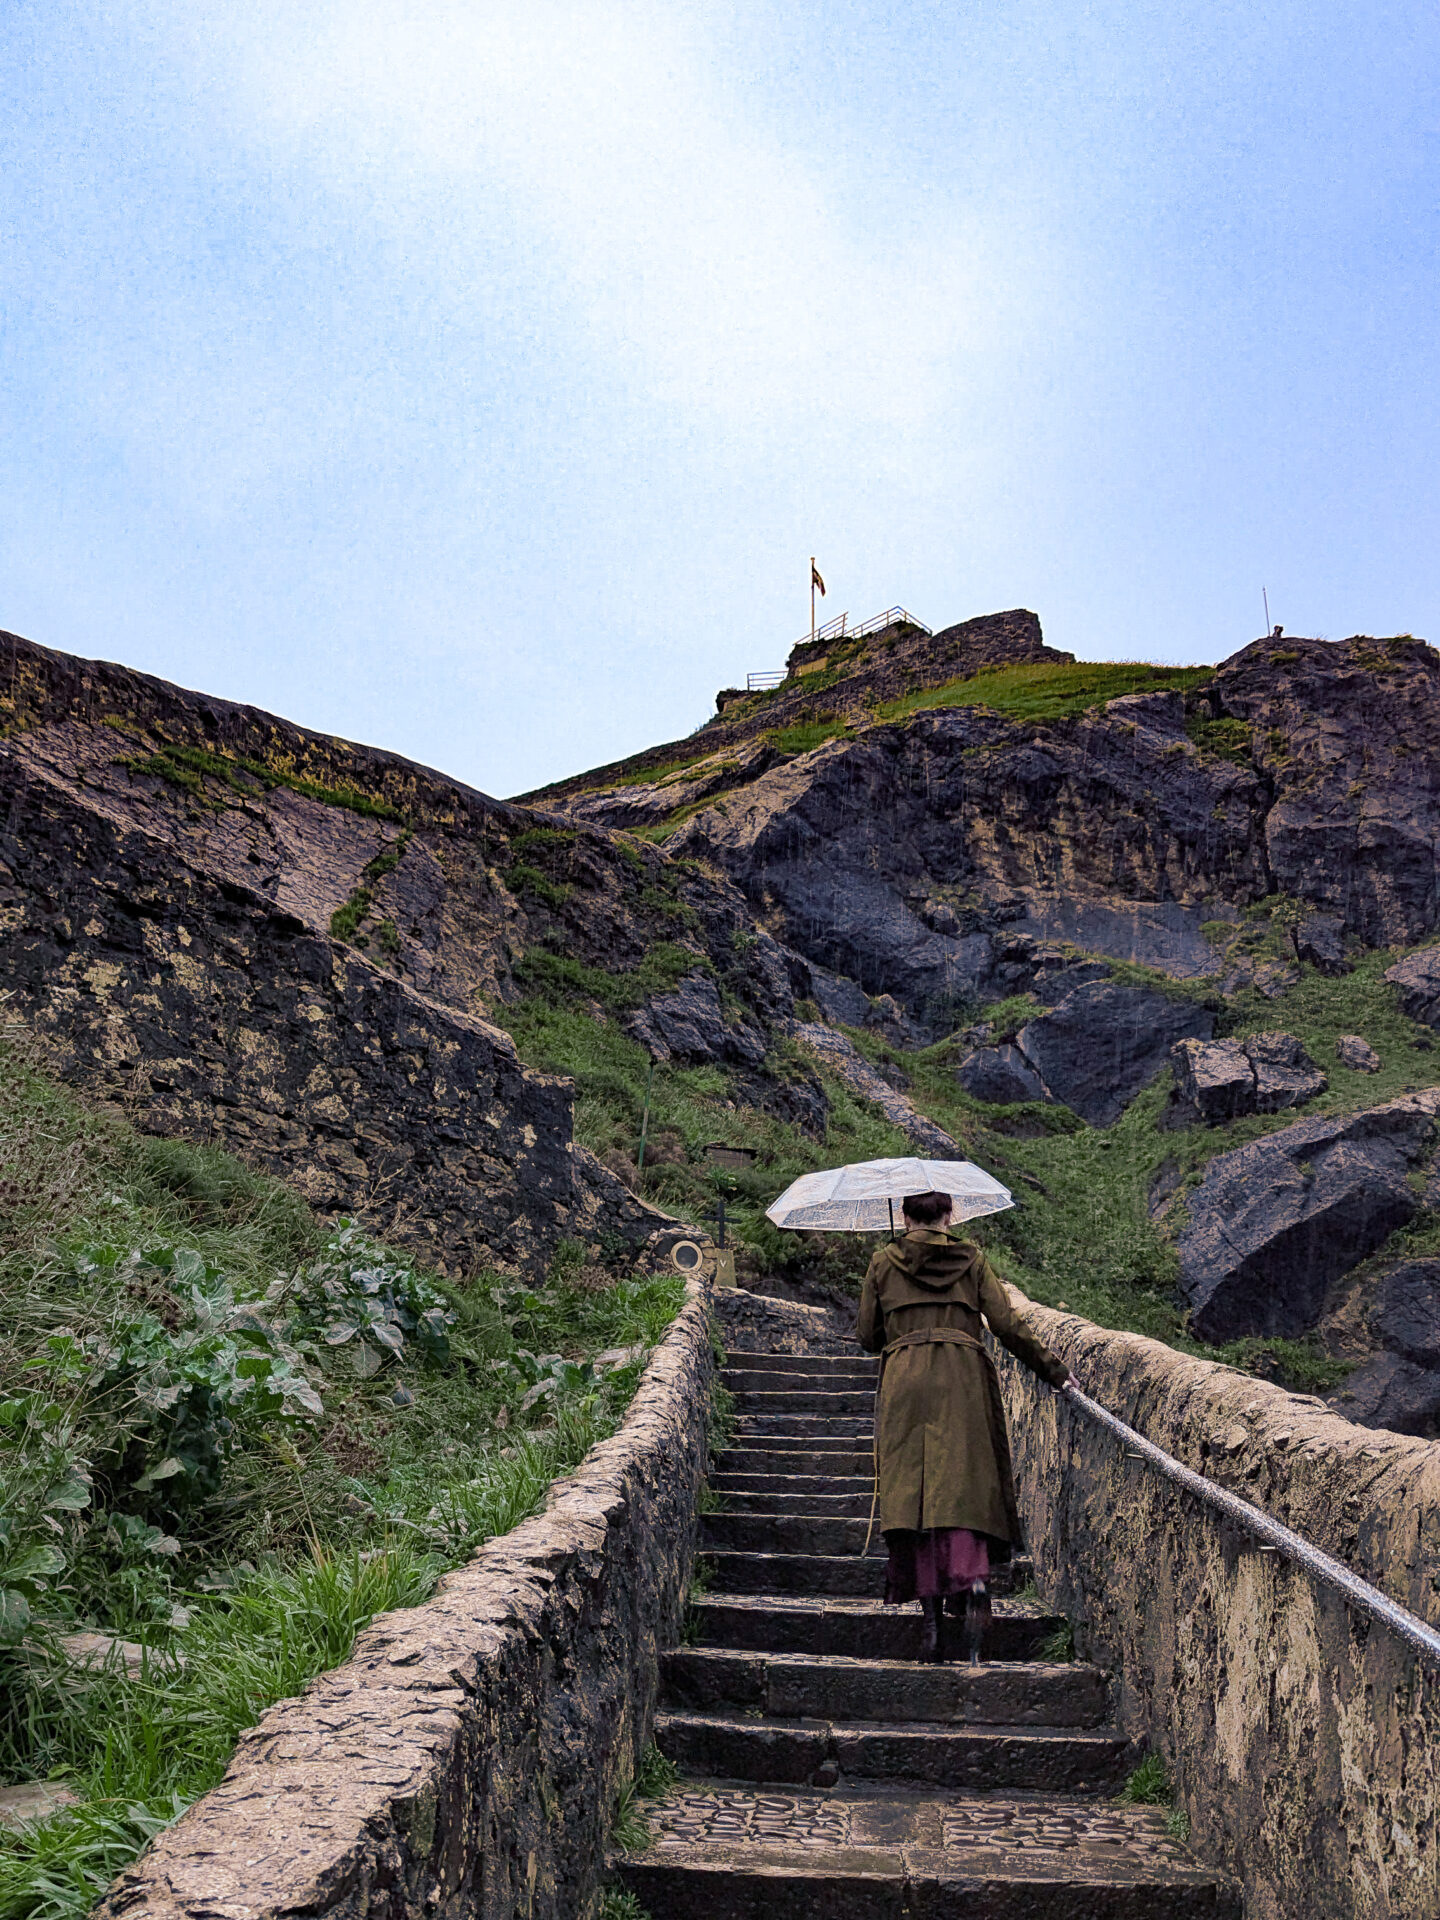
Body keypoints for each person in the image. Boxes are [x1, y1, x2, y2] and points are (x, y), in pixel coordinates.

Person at [856, 1189, 1073, 1664]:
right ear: (950, 1214)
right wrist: (1054, 1372)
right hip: (962, 1378)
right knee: (963, 1483)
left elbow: (868, 1337)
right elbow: (1007, 1324)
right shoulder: (971, 1259)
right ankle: (973, 1579)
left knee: (913, 1490)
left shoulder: (882, 1262)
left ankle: (931, 1622)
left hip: (905, 1380)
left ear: (904, 1214)